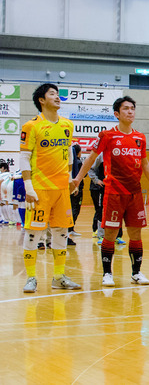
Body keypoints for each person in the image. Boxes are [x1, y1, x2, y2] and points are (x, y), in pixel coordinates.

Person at [72, 96, 149, 287]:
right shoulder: (107, 136)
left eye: (132, 108)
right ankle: (107, 274)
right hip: (113, 192)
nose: (130, 112)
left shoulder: (140, 137)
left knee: (136, 234)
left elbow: (145, 163)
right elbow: (90, 159)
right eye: (126, 109)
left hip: (135, 193)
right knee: (110, 235)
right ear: (117, 114)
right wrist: (77, 179)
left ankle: (136, 273)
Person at [20, 83, 81, 293]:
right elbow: (24, 158)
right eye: (52, 94)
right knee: (33, 234)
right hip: (39, 189)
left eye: (58, 94)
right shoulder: (31, 126)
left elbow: (68, 154)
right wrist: (28, 187)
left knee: (61, 232)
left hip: (62, 188)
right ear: (41, 100)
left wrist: (71, 179)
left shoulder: (67, 125)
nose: (57, 97)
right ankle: (31, 278)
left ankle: (58, 277)